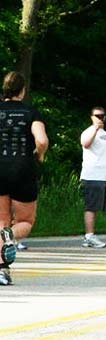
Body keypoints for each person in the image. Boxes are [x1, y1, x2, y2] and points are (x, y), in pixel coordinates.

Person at [0, 71, 49, 285]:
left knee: (0, 223)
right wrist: (39, 155)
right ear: (22, 90)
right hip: (22, 169)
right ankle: (9, 237)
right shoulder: (31, 112)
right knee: (25, 221)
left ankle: (2, 271)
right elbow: (41, 140)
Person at [80, 106, 106, 248]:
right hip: (92, 175)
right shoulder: (88, 132)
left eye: (102, 116)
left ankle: (91, 235)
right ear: (91, 117)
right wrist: (95, 128)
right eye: (97, 116)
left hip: (104, 176)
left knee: (97, 207)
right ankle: (89, 236)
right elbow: (86, 144)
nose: (100, 118)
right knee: (91, 206)